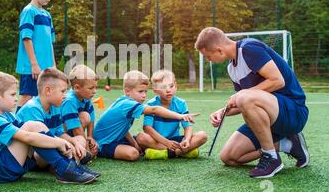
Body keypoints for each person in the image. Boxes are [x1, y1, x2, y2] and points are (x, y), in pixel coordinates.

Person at [195, 27, 309, 178]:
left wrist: (242, 95)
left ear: (219, 50)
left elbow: (277, 81)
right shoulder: (232, 68)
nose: (209, 61)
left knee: (243, 97)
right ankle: (288, 144)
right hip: (267, 117)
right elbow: (243, 104)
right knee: (229, 157)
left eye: (208, 56)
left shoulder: (249, 48)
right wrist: (223, 111)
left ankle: (271, 158)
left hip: (293, 112)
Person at [0, 71, 98, 185]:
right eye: (13, 94)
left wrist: (65, 142)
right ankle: (64, 168)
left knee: (36, 126)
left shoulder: (6, 115)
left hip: (5, 165)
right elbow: (27, 136)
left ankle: (69, 165)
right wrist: (59, 142)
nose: (16, 99)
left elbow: (34, 131)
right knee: (32, 126)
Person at [93, 70, 198, 161]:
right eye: (140, 92)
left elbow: (123, 129)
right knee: (133, 154)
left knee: (138, 144)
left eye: (145, 92)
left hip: (117, 139)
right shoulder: (127, 104)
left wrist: (134, 144)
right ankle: (178, 152)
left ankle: (169, 151)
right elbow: (154, 110)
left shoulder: (128, 103)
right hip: (104, 143)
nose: (144, 95)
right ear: (127, 91)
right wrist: (180, 116)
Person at [16, 68, 100, 177]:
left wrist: (75, 143)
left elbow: (60, 132)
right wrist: (67, 144)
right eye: (62, 91)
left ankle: (67, 165)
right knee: (62, 145)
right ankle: (67, 165)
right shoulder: (32, 109)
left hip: (50, 145)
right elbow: (40, 140)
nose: (65, 95)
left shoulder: (55, 107)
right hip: (33, 155)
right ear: (48, 91)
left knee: (79, 140)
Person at [136, 69, 208, 160]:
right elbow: (147, 128)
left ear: (176, 86)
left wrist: (187, 140)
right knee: (141, 137)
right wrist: (166, 142)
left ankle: (165, 153)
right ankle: (182, 152)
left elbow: (187, 126)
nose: (168, 90)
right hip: (158, 140)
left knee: (202, 136)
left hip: (175, 140)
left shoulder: (181, 103)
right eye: (163, 87)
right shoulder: (151, 104)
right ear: (155, 90)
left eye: (171, 86)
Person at [16, 0, 57, 110]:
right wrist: (34, 64)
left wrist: (53, 65)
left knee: (45, 97)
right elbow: (26, 38)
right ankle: (16, 126)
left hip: (46, 67)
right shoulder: (29, 11)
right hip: (31, 67)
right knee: (27, 97)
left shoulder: (47, 15)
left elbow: (50, 42)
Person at [61, 65, 100, 162]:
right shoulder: (70, 101)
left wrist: (90, 137)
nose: (95, 91)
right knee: (84, 116)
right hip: (61, 134)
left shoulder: (85, 97)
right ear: (77, 88)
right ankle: (77, 150)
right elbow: (76, 129)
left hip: (74, 133)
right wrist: (87, 151)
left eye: (95, 87)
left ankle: (79, 147)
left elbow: (91, 117)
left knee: (87, 116)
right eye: (91, 88)